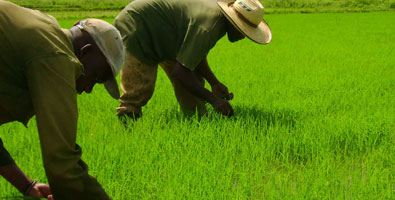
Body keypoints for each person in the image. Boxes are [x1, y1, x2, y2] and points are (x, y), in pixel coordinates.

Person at [0, 1, 125, 199]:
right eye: (95, 78)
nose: (88, 89)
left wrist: (26, 185)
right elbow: (62, 161)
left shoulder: (45, 29)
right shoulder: (56, 56)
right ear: (85, 51)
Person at [114, 0, 272, 121]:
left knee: (194, 90)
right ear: (234, 23)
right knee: (139, 90)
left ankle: (195, 121)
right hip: (138, 27)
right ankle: (127, 129)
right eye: (243, 30)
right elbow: (180, 72)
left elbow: (194, 55)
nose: (243, 36)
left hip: (167, 37)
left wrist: (214, 83)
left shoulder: (217, 19)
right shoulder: (210, 25)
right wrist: (214, 100)